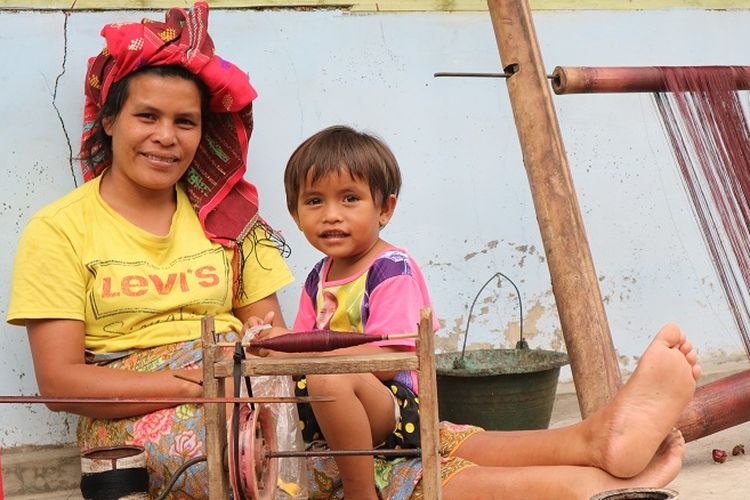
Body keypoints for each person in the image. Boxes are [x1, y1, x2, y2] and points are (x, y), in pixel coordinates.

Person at [245, 124, 702, 499]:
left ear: (385, 209)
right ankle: (601, 446)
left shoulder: (390, 268)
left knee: (330, 381)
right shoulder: (316, 277)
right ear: (294, 211)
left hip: (392, 411)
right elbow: (301, 351)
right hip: (365, 426)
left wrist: (308, 361)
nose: (332, 215)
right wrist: (270, 344)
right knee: (471, 447)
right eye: (314, 202)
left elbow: (388, 358)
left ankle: (362, 496)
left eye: (349, 198)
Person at [6, 3, 293, 497]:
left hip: (242, 394)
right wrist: (191, 384)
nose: (166, 137)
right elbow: (59, 381)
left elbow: (269, 339)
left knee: (367, 431)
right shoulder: (59, 229)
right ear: (110, 120)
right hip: (135, 417)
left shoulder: (232, 221)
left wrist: (240, 376)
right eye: (147, 116)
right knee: (234, 461)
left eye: (185, 121)